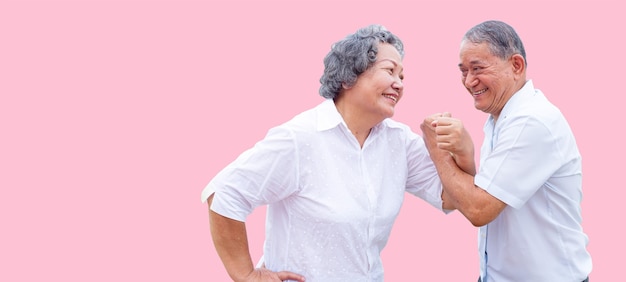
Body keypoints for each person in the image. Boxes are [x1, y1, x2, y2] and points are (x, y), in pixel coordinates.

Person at [201, 24, 472, 282]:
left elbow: (452, 198)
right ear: (348, 77)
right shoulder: (299, 138)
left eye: (402, 76)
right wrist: (246, 275)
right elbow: (225, 193)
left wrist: (464, 151)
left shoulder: (399, 142)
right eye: (389, 71)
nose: (399, 84)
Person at [420, 20, 592, 281]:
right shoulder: (501, 118)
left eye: (477, 68)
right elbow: (481, 194)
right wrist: (465, 154)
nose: (468, 81)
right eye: (463, 70)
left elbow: (479, 209)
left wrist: (437, 150)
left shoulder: (530, 121)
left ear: (516, 66)